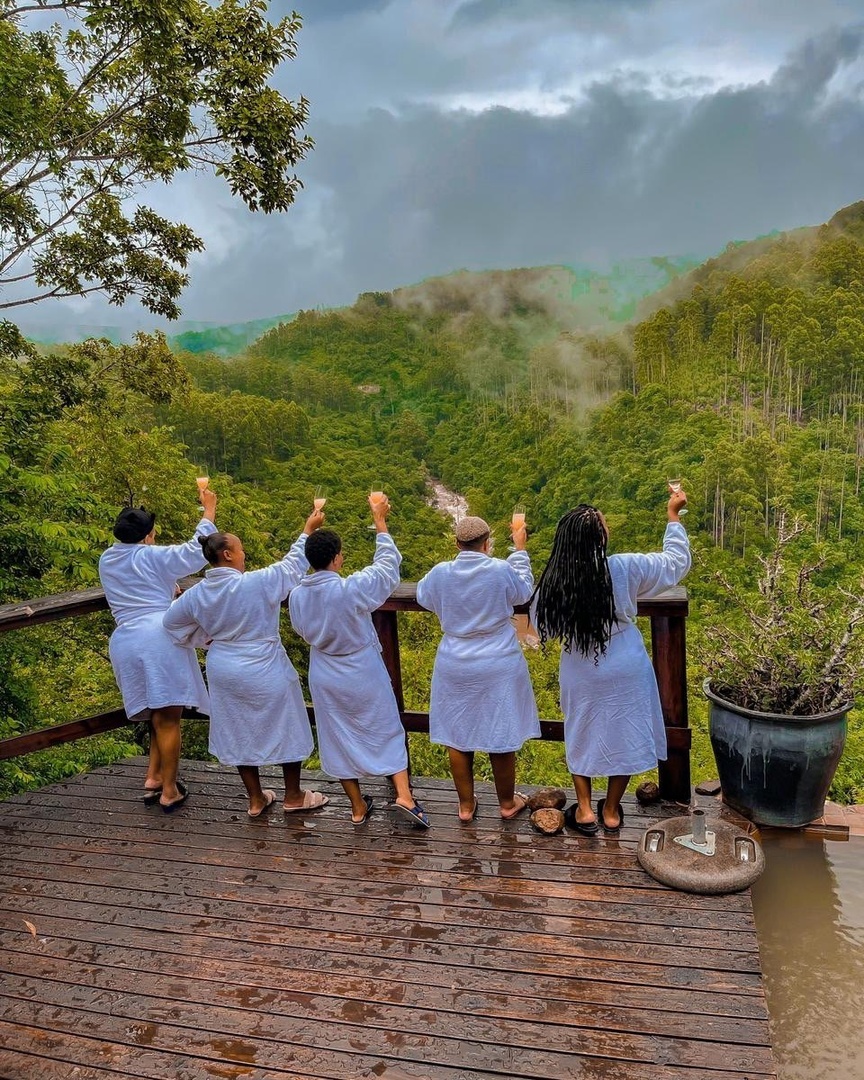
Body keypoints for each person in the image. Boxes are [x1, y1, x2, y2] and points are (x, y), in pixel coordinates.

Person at [531, 487, 691, 835]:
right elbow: (675, 565)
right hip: (625, 661)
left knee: (581, 730)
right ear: (602, 536)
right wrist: (673, 517)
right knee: (626, 730)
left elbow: (536, 617)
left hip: (579, 666)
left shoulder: (555, 582)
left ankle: (585, 810)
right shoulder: (624, 569)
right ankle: (613, 810)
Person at [162, 508, 329, 819]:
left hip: (225, 667)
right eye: (239, 549)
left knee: (238, 729)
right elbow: (294, 564)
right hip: (263, 664)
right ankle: (293, 795)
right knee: (287, 723)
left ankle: (255, 798)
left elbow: (171, 624)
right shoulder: (256, 583)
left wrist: (204, 639)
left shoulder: (197, 594)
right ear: (227, 554)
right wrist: (308, 529)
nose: (244, 553)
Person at [288, 494, 430, 829]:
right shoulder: (351, 589)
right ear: (338, 559)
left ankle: (356, 806)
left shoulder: (296, 595)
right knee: (386, 728)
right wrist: (380, 523)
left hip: (324, 670)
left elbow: (300, 630)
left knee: (337, 736)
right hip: (361, 669)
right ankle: (404, 796)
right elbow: (386, 569)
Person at [99, 485, 217, 812]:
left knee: (156, 712)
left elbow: (139, 582)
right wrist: (208, 511)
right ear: (148, 536)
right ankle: (169, 790)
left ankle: (153, 777)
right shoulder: (152, 556)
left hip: (125, 641)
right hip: (159, 639)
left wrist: (166, 586)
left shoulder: (107, 559)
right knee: (169, 718)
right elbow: (197, 552)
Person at [416, 515, 540, 822]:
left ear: (457, 544)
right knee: (501, 732)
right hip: (497, 659)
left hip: (455, 660)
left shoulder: (440, 573)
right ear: (487, 544)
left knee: (457, 734)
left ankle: (466, 806)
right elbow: (524, 592)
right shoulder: (499, 569)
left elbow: (422, 596)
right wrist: (520, 551)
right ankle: (507, 803)